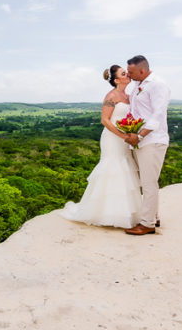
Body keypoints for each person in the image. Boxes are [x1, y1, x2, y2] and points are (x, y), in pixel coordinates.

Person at [60, 65, 141, 228]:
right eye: (124, 74)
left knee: (125, 168)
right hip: (113, 138)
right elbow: (105, 120)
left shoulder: (128, 96)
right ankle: (105, 213)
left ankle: (124, 212)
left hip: (125, 138)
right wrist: (124, 135)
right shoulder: (111, 95)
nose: (128, 75)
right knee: (113, 168)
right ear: (117, 80)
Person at [123, 55, 171, 235]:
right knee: (145, 181)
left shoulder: (158, 85)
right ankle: (154, 216)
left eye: (131, 71)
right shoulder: (137, 85)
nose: (128, 74)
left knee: (149, 182)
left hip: (152, 140)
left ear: (142, 70)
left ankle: (147, 224)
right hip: (140, 140)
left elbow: (157, 115)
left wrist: (140, 135)